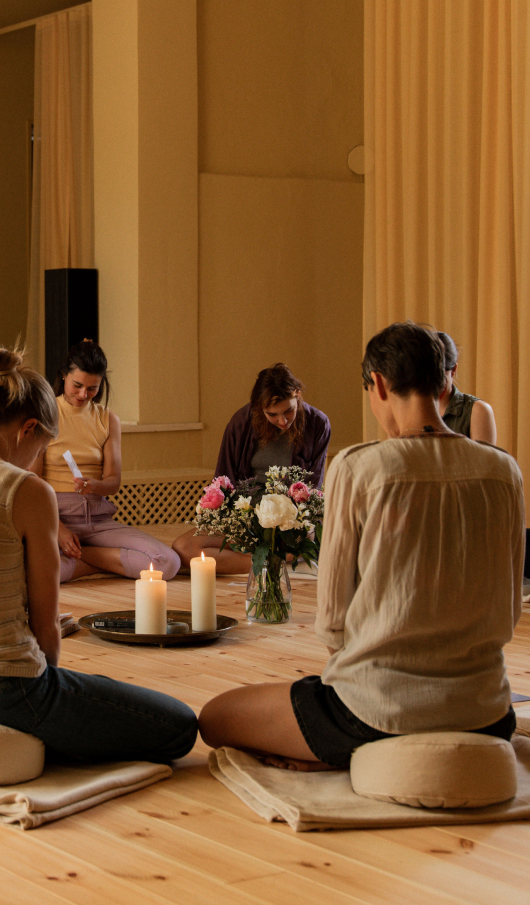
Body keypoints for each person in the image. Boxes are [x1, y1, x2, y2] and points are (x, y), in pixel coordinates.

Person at [198, 321, 524, 770]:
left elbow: (334, 623)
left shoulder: (359, 467)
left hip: (375, 713)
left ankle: (344, 751)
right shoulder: (504, 470)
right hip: (488, 714)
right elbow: (509, 609)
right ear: (443, 378)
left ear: (379, 384)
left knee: (216, 718)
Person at [0, 345, 197, 763]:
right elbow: (46, 629)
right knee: (178, 725)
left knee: (93, 694)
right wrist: (52, 694)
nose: (34, 458)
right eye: (39, 449)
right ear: (28, 429)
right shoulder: (26, 490)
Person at [36, 340, 179, 583]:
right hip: (56, 517)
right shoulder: (45, 414)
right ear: (64, 376)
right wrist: (58, 529)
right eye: (77, 386)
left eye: (92, 388)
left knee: (168, 562)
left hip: (98, 519)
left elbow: (113, 482)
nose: (83, 394)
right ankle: (106, 563)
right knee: (38, 573)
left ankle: (85, 559)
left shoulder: (107, 418)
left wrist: (95, 485)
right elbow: (32, 482)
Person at [172, 363, 331, 575]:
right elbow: (224, 480)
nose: (282, 420)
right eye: (272, 414)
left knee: (307, 538)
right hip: (244, 521)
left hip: (287, 524)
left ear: (298, 394)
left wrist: (293, 525)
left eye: (289, 411)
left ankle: (260, 558)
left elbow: (311, 490)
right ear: (259, 408)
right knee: (183, 548)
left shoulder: (317, 423)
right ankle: (266, 563)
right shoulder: (241, 422)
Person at [436, 330, 497, 443]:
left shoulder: (477, 411)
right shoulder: (409, 409)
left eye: (439, 375)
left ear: (454, 370)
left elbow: (483, 455)